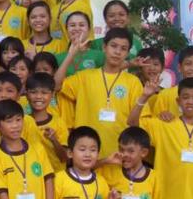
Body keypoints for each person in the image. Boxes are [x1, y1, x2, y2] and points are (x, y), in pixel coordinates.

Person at [56, 28, 143, 156]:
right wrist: (71, 54)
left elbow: (136, 122)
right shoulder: (84, 77)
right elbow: (56, 85)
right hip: (86, 155)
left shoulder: (133, 82)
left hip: (119, 155)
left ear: (127, 53)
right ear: (104, 47)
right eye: (113, 46)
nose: (117, 52)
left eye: (123, 49)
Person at [150, 46, 193, 128]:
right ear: (179, 67)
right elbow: (154, 126)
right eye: (188, 64)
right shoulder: (165, 95)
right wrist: (161, 116)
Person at [26, 73, 68, 172]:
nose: (38, 96)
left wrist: (54, 140)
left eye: (44, 93)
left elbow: (65, 158)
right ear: (27, 94)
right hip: (32, 176)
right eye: (33, 92)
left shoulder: (59, 123)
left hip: (56, 175)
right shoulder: (22, 122)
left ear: (52, 94)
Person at [54, 12, 104, 76]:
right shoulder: (57, 58)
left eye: (81, 25)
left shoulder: (100, 56)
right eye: (72, 25)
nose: (77, 29)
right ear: (66, 29)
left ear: (89, 29)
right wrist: (70, 55)